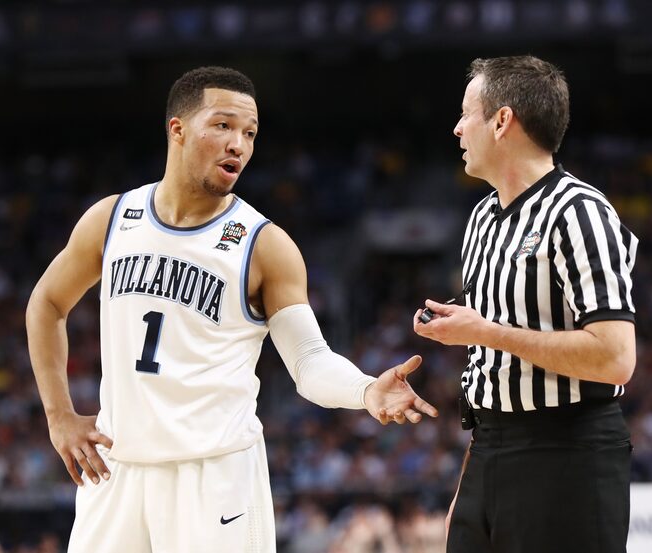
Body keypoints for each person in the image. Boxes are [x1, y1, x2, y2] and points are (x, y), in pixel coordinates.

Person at [25, 66, 438, 553]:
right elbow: (47, 303)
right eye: (223, 125)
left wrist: (365, 390)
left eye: (249, 133)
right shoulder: (112, 219)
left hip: (214, 476)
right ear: (177, 129)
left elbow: (308, 362)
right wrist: (59, 415)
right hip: (118, 468)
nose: (238, 144)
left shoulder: (265, 246)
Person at [413, 55, 638, 553]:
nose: (456, 128)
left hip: (568, 453)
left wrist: (487, 332)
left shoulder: (581, 212)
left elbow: (616, 358)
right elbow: (490, 368)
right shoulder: (482, 218)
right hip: (489, 449)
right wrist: (471, 488)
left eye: (466, 114)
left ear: (501, 121)